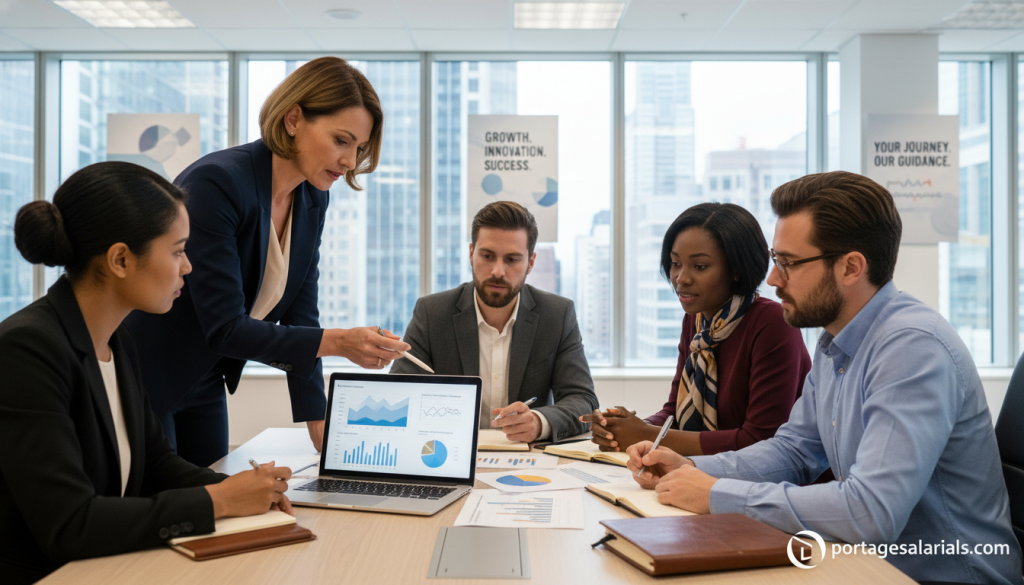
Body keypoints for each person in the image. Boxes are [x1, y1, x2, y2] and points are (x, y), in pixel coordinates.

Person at [625, 171, 1023, 584]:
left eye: (789, 263)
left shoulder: (911, 348)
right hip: (867, 565)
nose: (774, 279)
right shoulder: (837, 339)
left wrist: (716, 494)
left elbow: (871, 512)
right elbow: (794, 451)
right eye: (775, 260)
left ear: (851, 267)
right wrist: (693, 467)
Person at [0, 162, 294, 585]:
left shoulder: (118, 342)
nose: (188, 267)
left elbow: (155, 463)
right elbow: (70, 523)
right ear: (120, 259)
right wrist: (218, 501)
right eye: (177, 251)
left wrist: (247, 489)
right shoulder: (28, 349)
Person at [124, 57, 410, 466]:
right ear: (294, 119)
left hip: (205, 375)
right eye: (341, 140)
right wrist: (338, 343)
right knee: (168, 511)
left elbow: (300, 310)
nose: (349, 160)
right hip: (149, 374)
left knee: (215, 506)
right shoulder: (217, 184)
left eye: (359, 148)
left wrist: (316, 412)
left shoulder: (313, 197)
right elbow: (225, 325)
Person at [581, 203, 811, 457]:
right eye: (675, 263)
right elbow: (674, 413)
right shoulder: (697, 320)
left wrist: (646, 435)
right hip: (708, 473)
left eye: (699, 266)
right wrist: (624, 428)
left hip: (778, 484)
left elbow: (760, 441)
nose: (681, 278)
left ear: (736, 269)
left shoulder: (773, 323)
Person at [391, 201, 598, 443]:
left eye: (512, 259)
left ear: (530, 263)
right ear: (471, 254)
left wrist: (539, 422)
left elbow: (584, 401)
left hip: (529, 460)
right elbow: (399, 392)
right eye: (487, 256)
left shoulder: (557, 314)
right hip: (447, 452)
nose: (498, 271)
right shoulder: (432, 313)